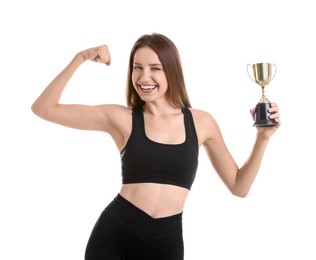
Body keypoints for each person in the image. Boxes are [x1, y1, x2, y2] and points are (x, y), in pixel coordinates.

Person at [31, 33, 281, 260]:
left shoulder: (202, 122)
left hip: (166, 242)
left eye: (155, 68)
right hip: (115, 236)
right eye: (137, 67)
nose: (144, 77)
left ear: (171, 72)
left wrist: (263, 138)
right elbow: (43, 108)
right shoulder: (122, 119)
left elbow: (239, 186)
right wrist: (81, 57)